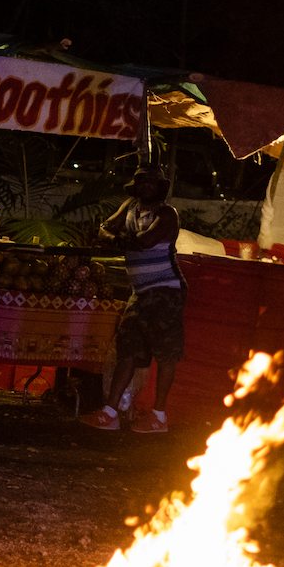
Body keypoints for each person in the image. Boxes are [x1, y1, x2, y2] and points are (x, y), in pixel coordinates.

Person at [80, 163, 186, 434]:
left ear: (160, 187)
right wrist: (118, 237)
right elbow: (103, 228)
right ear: (135, 185)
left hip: (166, 292)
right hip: (139, 293)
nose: (146, 185)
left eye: (152, 182)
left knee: (165, 354)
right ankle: (110, 412)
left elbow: (143, 241)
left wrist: (115, 239)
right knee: (127, 349)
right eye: (142, 181)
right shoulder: (129, 207)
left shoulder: (167, 214)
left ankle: (159, 416)